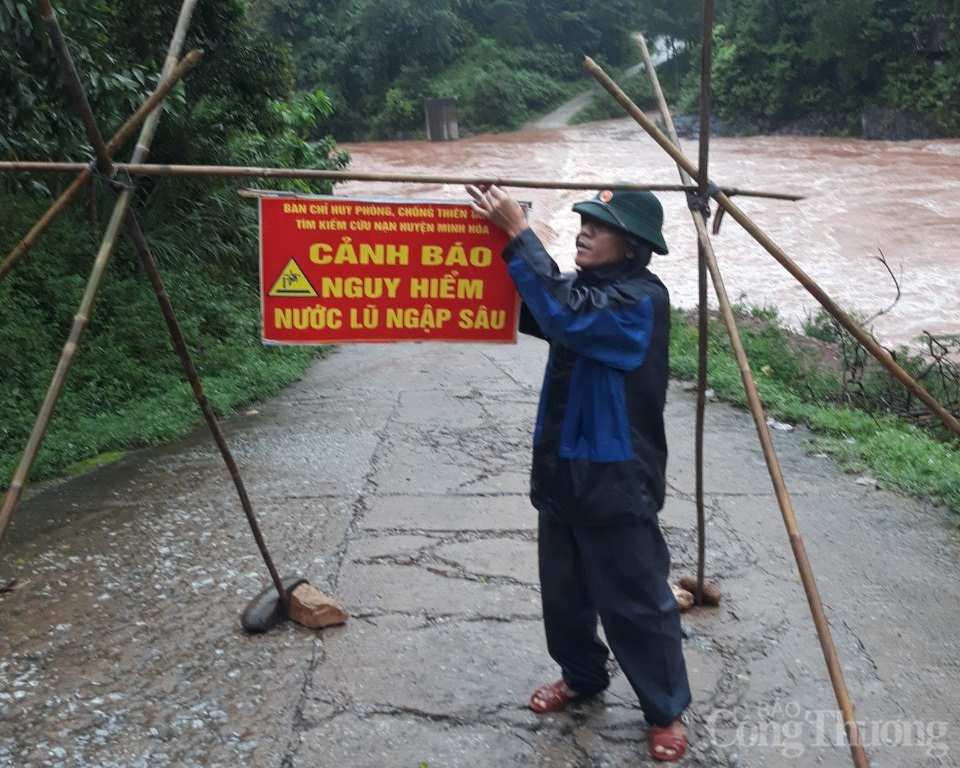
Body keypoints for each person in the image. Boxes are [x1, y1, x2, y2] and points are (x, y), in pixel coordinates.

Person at [466, 184, 691, 762]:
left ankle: (665, 709)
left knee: (637, 600)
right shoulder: (588, 290)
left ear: (634, 246)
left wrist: (520, 233)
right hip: (562, 471)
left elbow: (564, 314)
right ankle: (582, 676)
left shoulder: (640, 301)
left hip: (616, 478)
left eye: (601, 225)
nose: (585, 230)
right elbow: (540, 307)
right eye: (584, 220)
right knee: (563, 595)